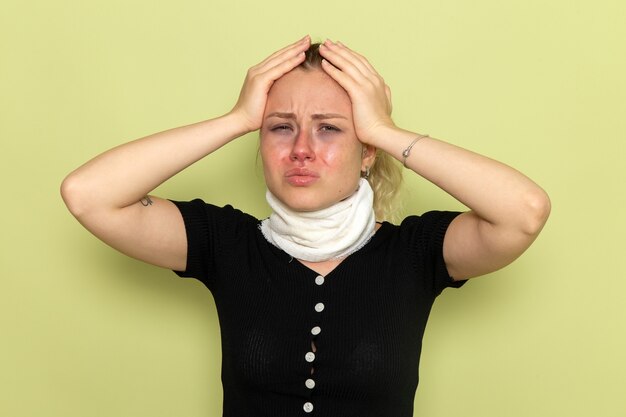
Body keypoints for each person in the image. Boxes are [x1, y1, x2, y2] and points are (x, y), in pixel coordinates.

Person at [61, 35, 551, 416]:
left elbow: (523, 211)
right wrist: (236, 119)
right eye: (280, 126)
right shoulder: (226, 244)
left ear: (366, 153)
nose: (301, 148)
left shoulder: (415, 253)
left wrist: (382, 129)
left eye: (330, 127)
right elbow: (89, 195)